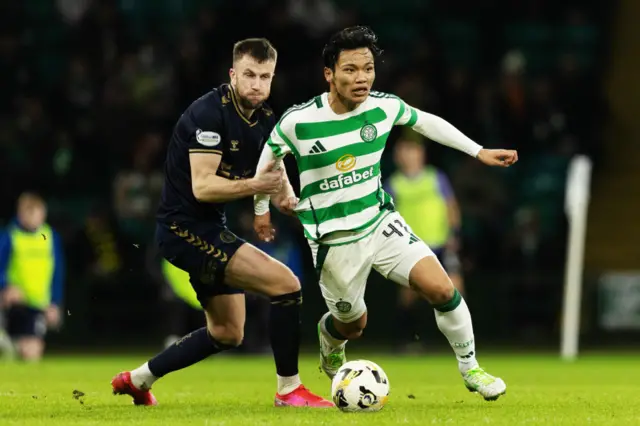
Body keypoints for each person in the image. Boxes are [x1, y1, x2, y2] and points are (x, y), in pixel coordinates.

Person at [254, 26, 517, 401]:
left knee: (443, 289)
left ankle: (471, 368)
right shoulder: (299, 120)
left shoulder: (384, 106)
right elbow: (270, 156)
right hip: (334, 239)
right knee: (353, 324)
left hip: (380, 221)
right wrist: (262, 208)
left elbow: (426, 121)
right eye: (350, 70)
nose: (361, 78)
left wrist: (478, 151)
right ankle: (330, 338)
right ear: (329, 73)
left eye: (368, 68)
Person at [111, 38, 332, 408]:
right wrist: (256, 186)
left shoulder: (264, 119)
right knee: (286, 285)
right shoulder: (208, 114)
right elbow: (202, 187)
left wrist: (294, 201)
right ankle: (289, 390)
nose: (257, 84)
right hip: (183, 229)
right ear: (233, 74)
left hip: (208, 229)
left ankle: (138, 379)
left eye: (265, 76)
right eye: (249, 74)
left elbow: (275, 176)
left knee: (228, 332)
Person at [385, 137, 465, 350]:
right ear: (398, 157)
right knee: (409, 295)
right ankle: (408, 340)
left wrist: (454, 234)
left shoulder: (435, 177)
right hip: (411, 247)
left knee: (455, 288)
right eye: (404, 152)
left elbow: (451, 206)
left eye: (413, 151)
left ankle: (462, 341)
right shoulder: (394, 184)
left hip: (441, 242)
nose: (409, 156)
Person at [0, 192, 64, 361]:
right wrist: (5, 286)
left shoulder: (50, 237)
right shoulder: (10, 236)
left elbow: (58, 272)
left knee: (31, 353)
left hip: (37, 305)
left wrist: (55, 303)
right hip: (13, 302)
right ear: (21, 214)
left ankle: (11, 346)